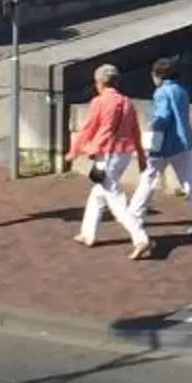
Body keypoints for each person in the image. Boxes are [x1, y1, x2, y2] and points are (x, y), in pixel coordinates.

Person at [134, 54, 192, 255]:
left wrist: (151, 128)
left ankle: (134, 215)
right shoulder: (181, 90)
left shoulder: (161, 92)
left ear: (158, 75)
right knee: (190, 180)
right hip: (184, 143)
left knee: (148, 178)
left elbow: (162, 117)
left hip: (164, 146)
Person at [69, 63, 145, 250]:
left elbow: (89, 128)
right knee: (98, 194)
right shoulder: (127, 102)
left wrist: (74, 150)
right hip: (125, 153)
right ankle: (88, 234)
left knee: (114, 198)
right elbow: (136, 131)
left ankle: (140, 237)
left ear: (99, 83)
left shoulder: (99, 102)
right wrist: (142, 157)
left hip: (108, 153)